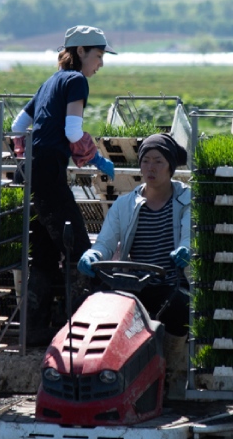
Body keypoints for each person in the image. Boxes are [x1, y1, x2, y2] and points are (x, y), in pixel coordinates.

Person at [11, 25, 116, 343]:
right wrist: (96, 159)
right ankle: (80, 332)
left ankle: (34, 330)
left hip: (30, 173)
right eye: (98, 56)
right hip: (48, 174)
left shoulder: (49, 82)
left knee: (43, 252)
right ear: (81, 52)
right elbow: (72, 131)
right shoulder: (76, 81)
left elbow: (19, 125)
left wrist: (25, 158)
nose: (100, 64)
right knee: (80, 250)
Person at [77, 133, 192, 396]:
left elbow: (188, 236)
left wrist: (186, 249)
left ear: (171, 167)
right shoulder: (125, 204)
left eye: (159, 162)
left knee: (179, 309)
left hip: (171, 284)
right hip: (134, 285)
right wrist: (94, 255)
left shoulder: (186, 200)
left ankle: (173, 373)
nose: (151, 168)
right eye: (146, 161)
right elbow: (105, 243)